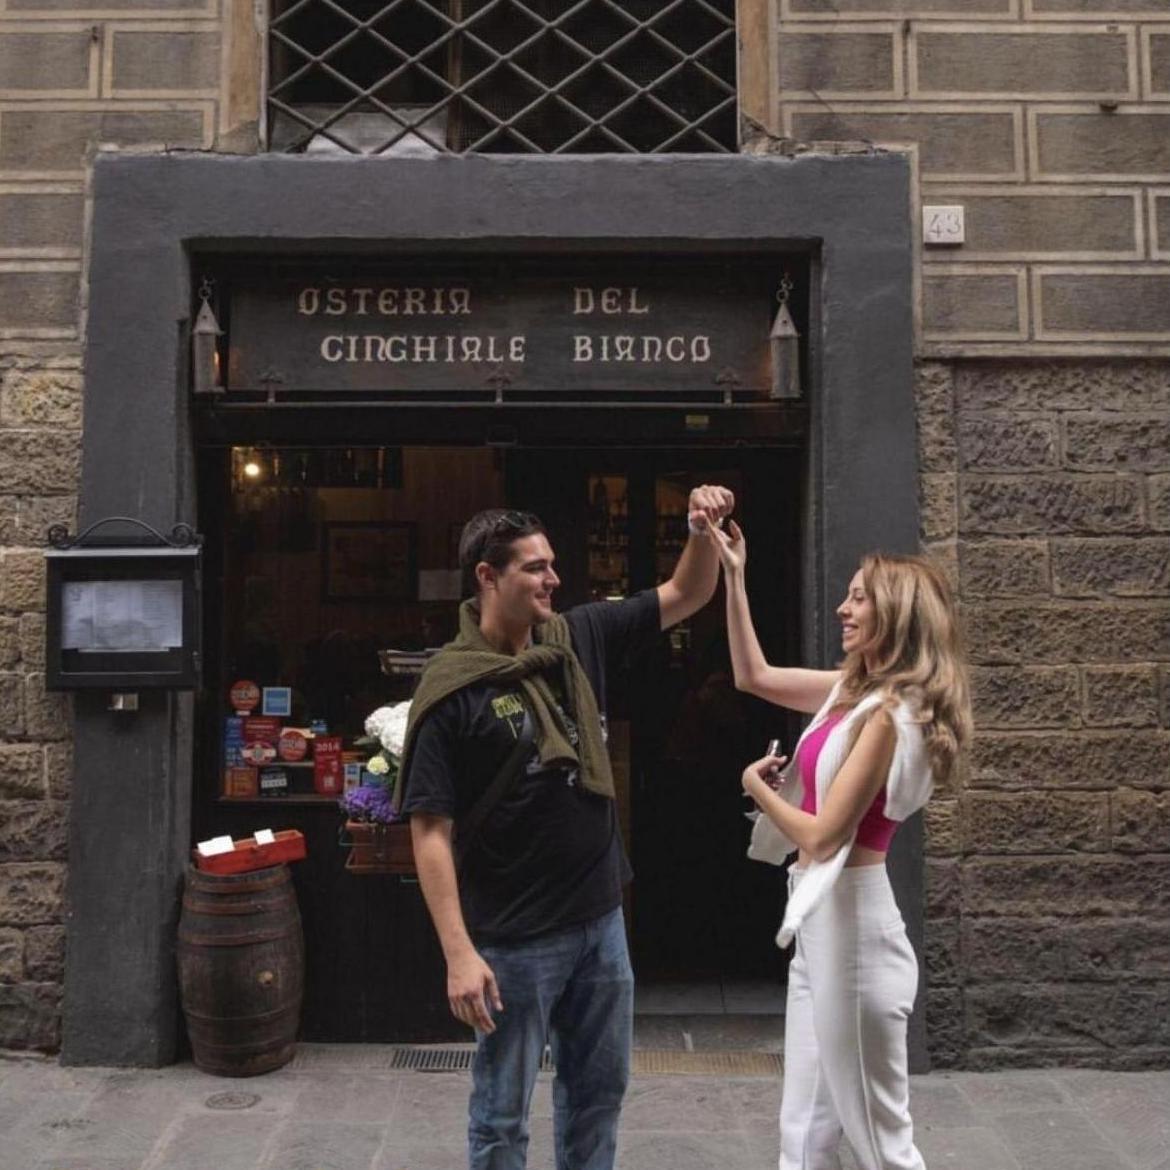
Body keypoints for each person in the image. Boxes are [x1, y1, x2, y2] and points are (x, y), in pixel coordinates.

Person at [395, 487, 734, 1170]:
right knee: (501, 1116)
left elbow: (688, 594)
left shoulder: (577, 638)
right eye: (535, 568)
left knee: (598, 1097)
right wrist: (458, 953)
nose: (553, 578)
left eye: (552, 564)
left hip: (601, 922)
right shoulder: (454, 689)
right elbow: (429, 830)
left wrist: (702, 531)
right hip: (514, 938)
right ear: (487, 577)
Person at [707, 520, 971, 1170]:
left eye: (859, 598)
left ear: (895, 615)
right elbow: (752, 674)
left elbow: (824, 837)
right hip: (819, 923)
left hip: (854, 934)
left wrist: (754, 786)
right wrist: (734, 576)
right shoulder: (853, 694)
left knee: (883, 1147)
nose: (842, 609)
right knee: (804, 1139)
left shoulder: (886, 716)